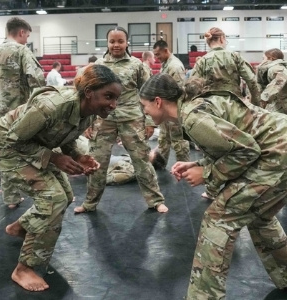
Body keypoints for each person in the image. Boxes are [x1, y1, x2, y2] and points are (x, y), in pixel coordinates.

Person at [138, 73, 287, 299]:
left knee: (218, 220)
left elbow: (248, 150)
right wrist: (198, 163)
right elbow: (232, 145)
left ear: (158, 101)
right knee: (259, 218)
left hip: (276, 155)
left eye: (144, 106)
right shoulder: (193, 108)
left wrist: (206, 173)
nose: (144, 112)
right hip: (278, 150)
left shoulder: (192, 118)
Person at [0, 64, 118, 291]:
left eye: (116, 98)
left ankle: (21, 227)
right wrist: (54, 158)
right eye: (108, 96)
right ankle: (24, 268)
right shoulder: (52, 106)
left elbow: (64, 137)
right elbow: (13, 140)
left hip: (34, 145)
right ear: (89, 92)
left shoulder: (88, 113)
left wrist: (79, 156)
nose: (113, 104)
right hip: (7, 147)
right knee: (52, 198)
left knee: (66, 196)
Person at [75, 26, 167, 214]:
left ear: (127, 43)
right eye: (112, 41)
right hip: (103, 121)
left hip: (131, 120)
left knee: (141, 161)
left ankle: (156, 201)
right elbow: (87, 95)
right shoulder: (97, 67)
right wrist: (86, 122)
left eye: (120, 41)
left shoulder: (137, 65)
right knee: (96, 162)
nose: (116, 45)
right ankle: (90, 203)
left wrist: (149, 122)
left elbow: (148, 93)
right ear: (107, 43)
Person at [185, 27, 261, 201]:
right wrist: (256, 105)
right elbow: (251, 81)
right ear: (223, 38)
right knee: (241, 146)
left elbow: (192, 85)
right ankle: (241, 187)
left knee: (214, 147)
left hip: (211, 108)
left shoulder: (202, 61)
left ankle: (212, 189)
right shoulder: (234, 57)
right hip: (235, 107)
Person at [0, 17, 46, 208]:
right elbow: (37, 80)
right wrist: (39, 106)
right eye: (27, 36)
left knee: (4, 154)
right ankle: (41, 194)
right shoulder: (22, 51)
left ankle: (11, 199)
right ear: (22, 32)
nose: (26, 40)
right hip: (20, 113)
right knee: (33, 151)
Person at [148, 40, 191, 168]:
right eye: (155, 55)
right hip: (165, 110)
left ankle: (184, 167)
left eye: (158, 54)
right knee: (163, 139)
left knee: (179, 142)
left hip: (174, 111)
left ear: (166, 50)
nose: (156, 58)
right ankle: (160, 164)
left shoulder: (175, 66)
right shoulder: (166, 64)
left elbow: (178, 92)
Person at [258, 48, 287, 112]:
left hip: (280, 107)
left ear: (270, 58)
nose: (262, 61)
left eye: (263, 58)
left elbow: (282, 78)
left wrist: (264, 97)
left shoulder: (274, 67)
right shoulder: (279, 66)